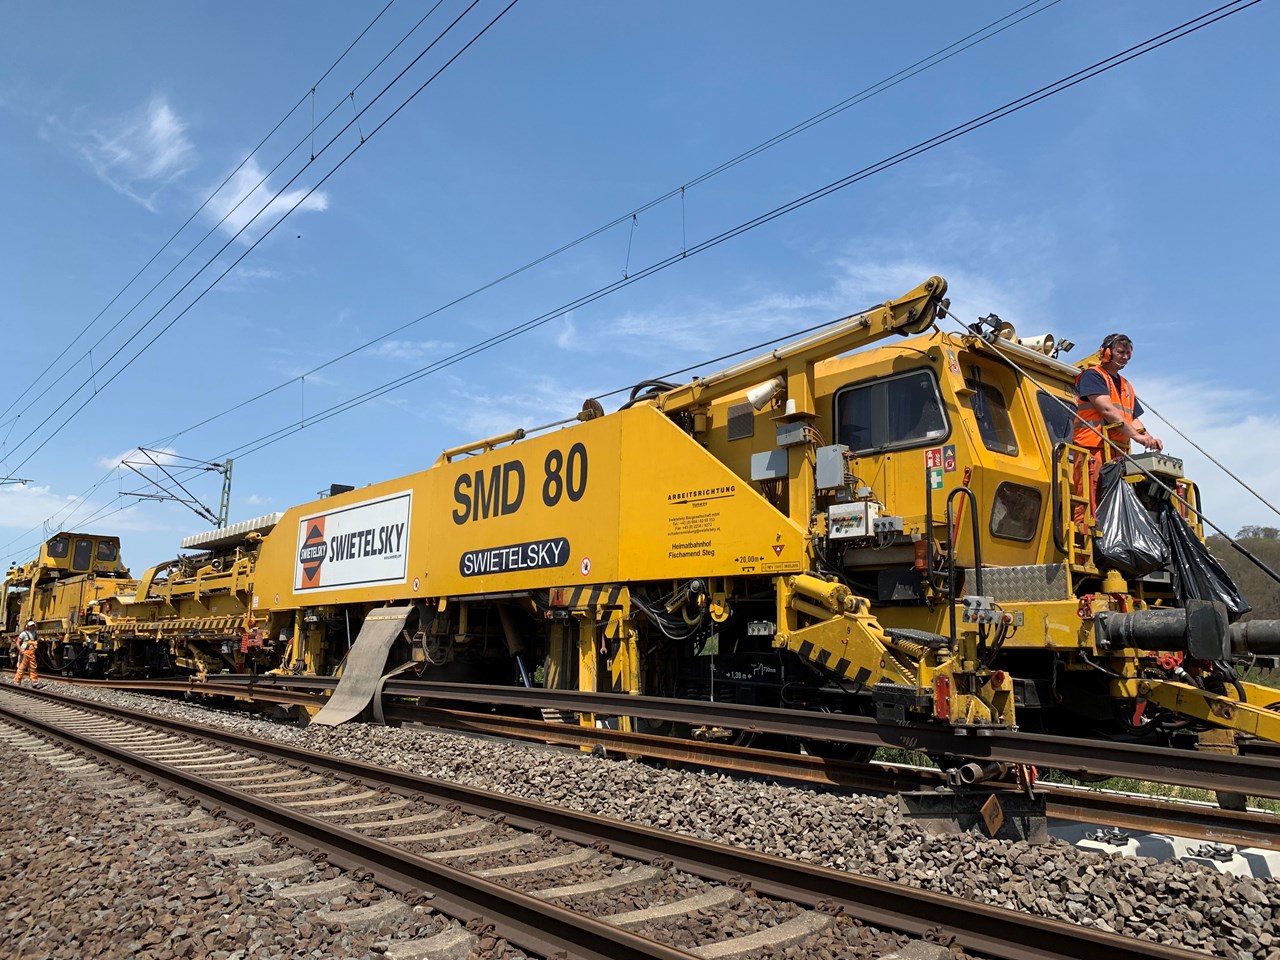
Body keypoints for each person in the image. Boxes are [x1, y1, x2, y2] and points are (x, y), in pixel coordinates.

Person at [1072, 333, 1162, 522]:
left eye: (1129, 353)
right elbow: (1106, 409)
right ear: (1105, 352)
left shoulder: (1127, 386)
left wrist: (1149, 438)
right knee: (1089, 503)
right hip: (1093, 448)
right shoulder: (1092, 376)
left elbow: (1134, 419)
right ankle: (1083, 550)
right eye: (1121, 352)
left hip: (1118, 453)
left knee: (1115, 506)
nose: (1125, 357)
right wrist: (1137, 438)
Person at [13, 620, 41, 688]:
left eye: (33, 626)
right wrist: (20, 650)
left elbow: (35, 641)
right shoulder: (23, 633)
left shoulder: (35, 633)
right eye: (31, 626)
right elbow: (17, 642)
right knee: (22, 667)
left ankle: (34, 682)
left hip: (32, 653)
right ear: (28, 626)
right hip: (25, 652)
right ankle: (17, 681)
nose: (32, 627)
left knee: (33, 667)